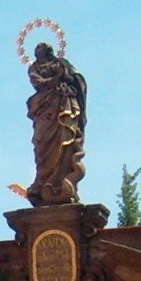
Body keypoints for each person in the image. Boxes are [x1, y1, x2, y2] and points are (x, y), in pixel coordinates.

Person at [25, 42, 87, 206]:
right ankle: (42, 183)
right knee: (41, 143)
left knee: (65, 140)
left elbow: (74, 77)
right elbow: (39, 83)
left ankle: (60, 181)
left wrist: (67, 78)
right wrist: (57, 78)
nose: (38, 52)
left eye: (41, 50)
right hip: (44, 108)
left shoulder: (61, 63)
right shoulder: (33, 69)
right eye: (36, 50)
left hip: (62, 102)